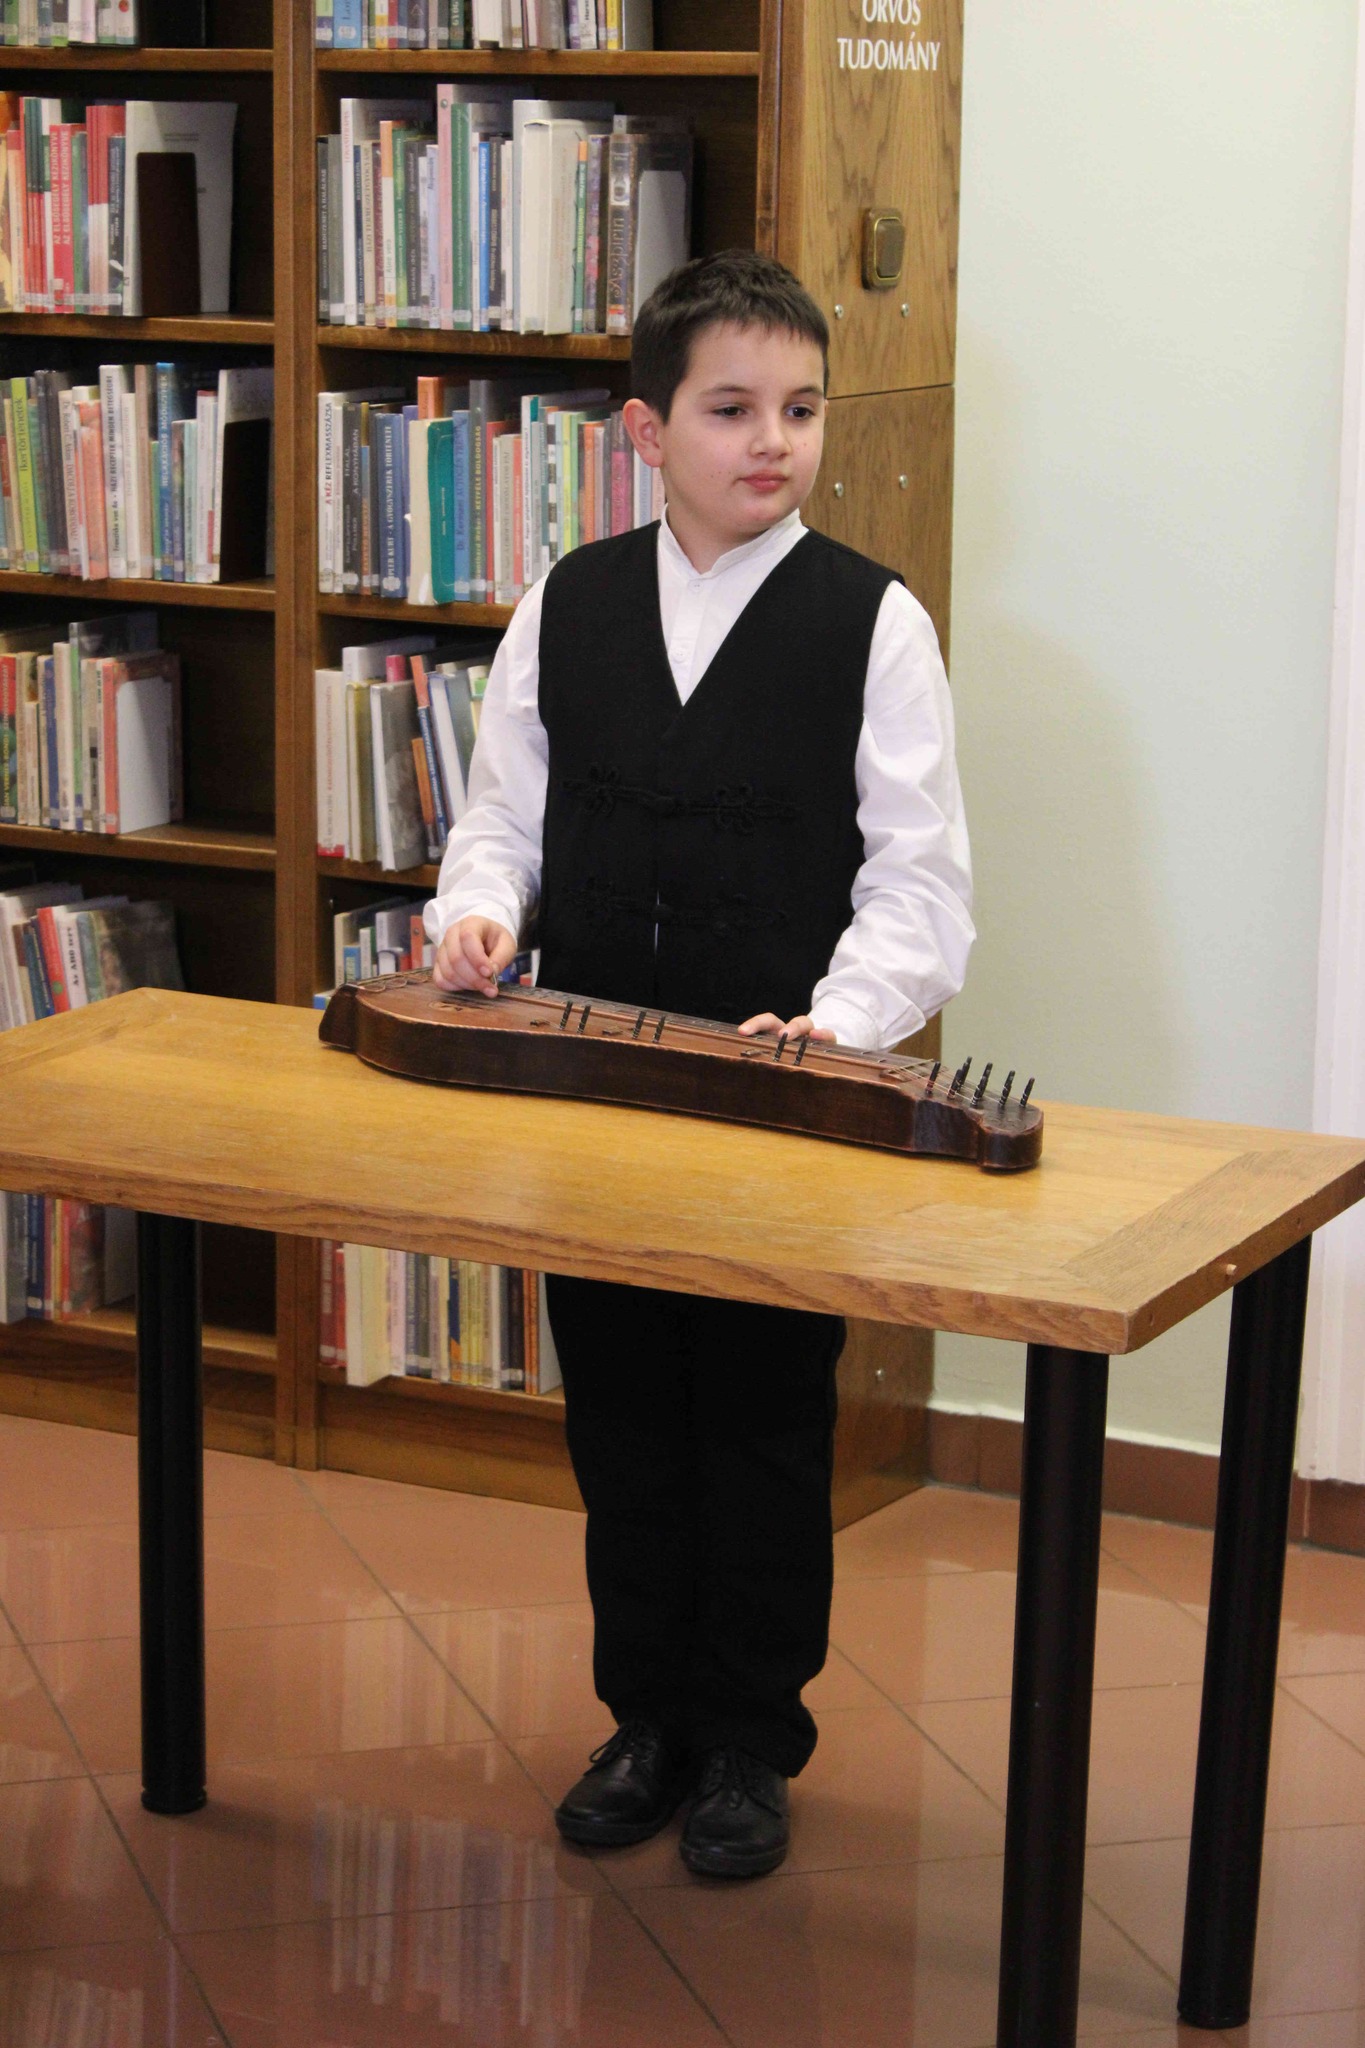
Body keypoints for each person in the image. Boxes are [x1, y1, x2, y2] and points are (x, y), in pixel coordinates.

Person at [424, 249, 974, 1879]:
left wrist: (841, 1022)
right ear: (645, 430)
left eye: (800, 409)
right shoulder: (569, 601)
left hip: (776, 1096)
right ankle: (644, 1718)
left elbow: (921, 885)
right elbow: (503, 818)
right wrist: (475, 915)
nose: (771, 441)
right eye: (731, 410)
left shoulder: (872, 622)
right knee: (622, 1413)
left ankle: (746, 1737)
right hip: (590, 1088)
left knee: (759, 1415)